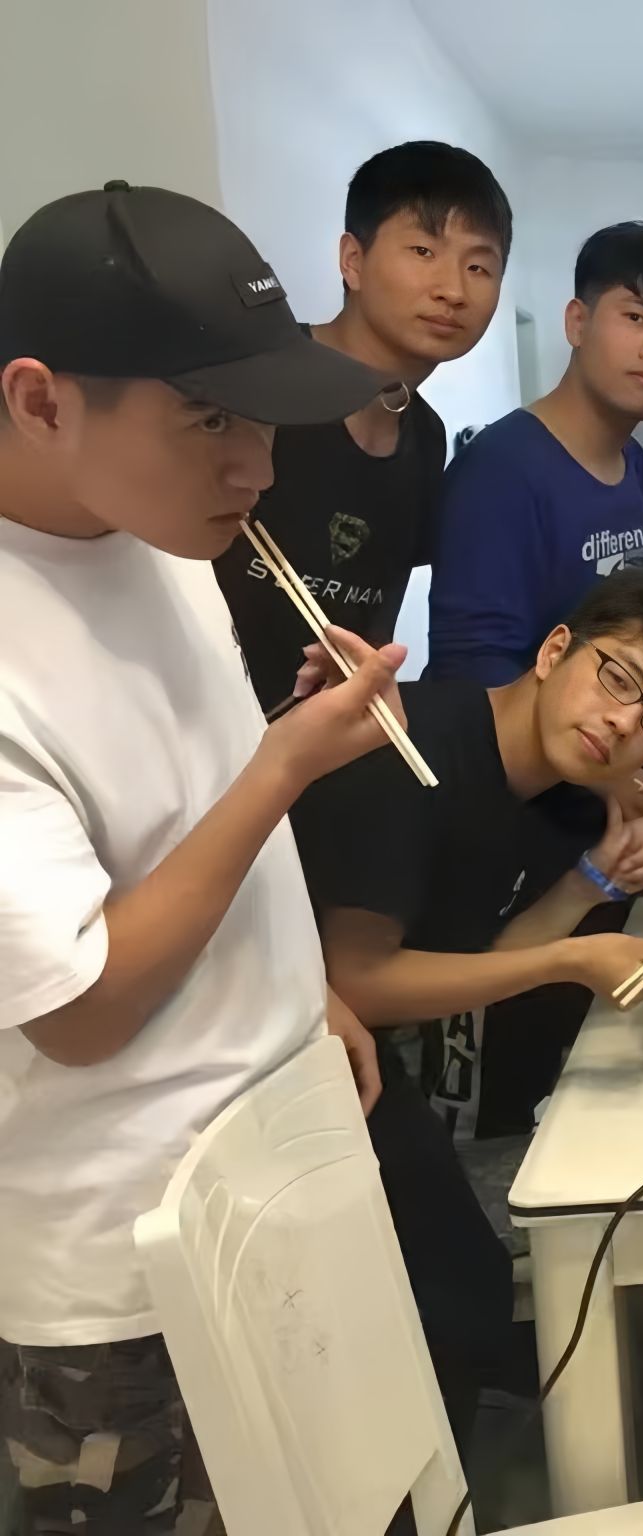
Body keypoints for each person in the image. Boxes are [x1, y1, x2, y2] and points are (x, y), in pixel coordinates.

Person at [0, 181, 403, 1534]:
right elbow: (79, 1010)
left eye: (262, 420)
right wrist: (288, 763)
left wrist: (297, 989)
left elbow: (187, 812)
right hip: (125, 1274)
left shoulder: (158, 537)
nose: (258, 470)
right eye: (209, 421)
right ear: (41, 400)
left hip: (277, 1164)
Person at [299, 567, 643, 1140]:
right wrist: (570, 961)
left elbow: (484, 960)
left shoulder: (565, 794)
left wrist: (593, 880)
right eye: (618, 679)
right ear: (554, 652)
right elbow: (357, 983)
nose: (625, 722)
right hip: (301, 1062)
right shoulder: (409, 751)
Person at [210, 141, 511, 714]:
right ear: (352, 260)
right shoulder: (258, 385)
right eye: (423, 250)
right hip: (204, 732)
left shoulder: (426, 437)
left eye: (479, 266)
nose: (453, 289)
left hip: (325, 741)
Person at [428, 219, 643, 683]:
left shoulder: (631, 464)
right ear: (578, 323)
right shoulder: (501, 470)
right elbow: (472, 672)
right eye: (636, 318)